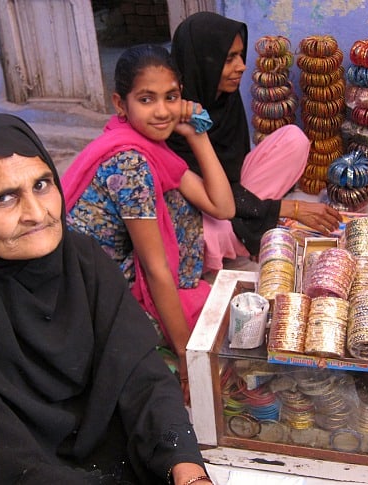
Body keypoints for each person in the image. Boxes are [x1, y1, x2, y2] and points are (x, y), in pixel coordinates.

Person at [0, 113, 213, 485]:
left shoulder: (83, 262)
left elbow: (143, 376)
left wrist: (185, 467)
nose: (36, 214)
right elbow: (14, 472)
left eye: (41, 184)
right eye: (5, 198)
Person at [61, 44, 234, 402]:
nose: (161, 112)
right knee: (215, 322)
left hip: (108, 276)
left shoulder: (147, 147)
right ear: (120, 104)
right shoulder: (130, 163)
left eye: (171, 97)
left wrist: (196, 135)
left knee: (181, 204)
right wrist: (187, 354)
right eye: (146, 99)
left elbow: (222, 206)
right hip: (97, 298)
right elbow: (156, 270)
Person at [167, 12, 342, 271]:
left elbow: (235, 176)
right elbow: (204, 193)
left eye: (240, 55)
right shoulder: (172, 113)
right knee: (211, 235)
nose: (242, 66)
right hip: (200, 204)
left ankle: (249, 226)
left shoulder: (225, 99)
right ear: (204, 63)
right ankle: (247, 232)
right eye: (229, 59)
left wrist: (263, 209)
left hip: (232, 191)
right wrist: (288, 208)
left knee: (294, 139)